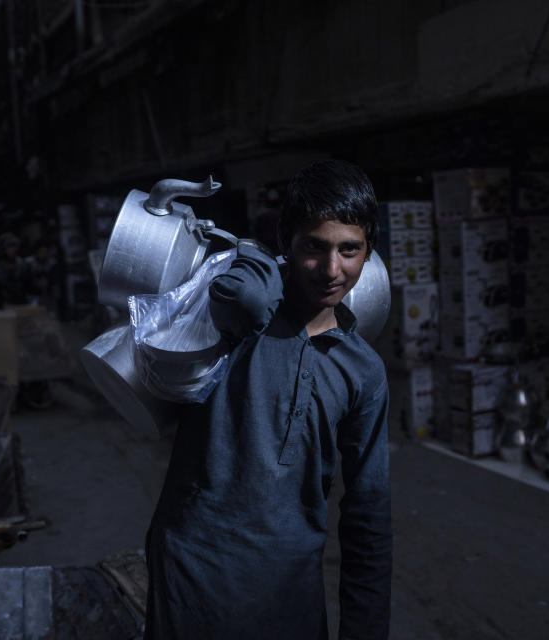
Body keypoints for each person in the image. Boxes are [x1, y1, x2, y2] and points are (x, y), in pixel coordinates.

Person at [145, 159, 392, 639]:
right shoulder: (236, 315)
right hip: (191, 576)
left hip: (289, 592)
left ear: (369, 253)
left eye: (349, 250)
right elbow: (232, 294)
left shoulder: (364, 371)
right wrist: (255, 259)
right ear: (286, 242)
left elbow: (369, 516)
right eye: (313, 248)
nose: (331, 270)